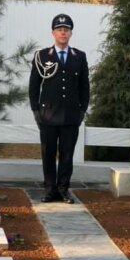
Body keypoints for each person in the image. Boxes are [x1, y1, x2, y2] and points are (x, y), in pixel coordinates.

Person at [29, 14, 90, 203]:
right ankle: (50, 190)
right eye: (59, 29)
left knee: (67, 154)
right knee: (48, 154)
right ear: (53, 33)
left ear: (71, 33)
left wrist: (82, 111)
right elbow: (33, 85)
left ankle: (63, 189)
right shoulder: (41, 56)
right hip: (48, 115)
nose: (63, 32)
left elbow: (84, 87)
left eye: (66, 29)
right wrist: (36, 111)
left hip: (71, 116)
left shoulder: (79, 56)